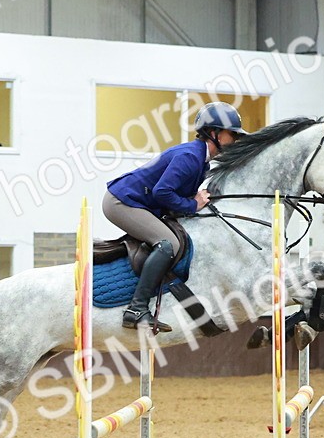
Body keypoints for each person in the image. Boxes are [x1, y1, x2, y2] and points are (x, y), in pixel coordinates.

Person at [103, 102, 247, 331]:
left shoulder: (201, 161)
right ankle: (136, 308)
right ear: (214, 133)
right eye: (233, 134)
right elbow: (162, 192)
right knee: (167, 243)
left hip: (137, 202)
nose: (236, 140)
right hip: (121, 202)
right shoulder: (190, 156)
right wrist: (193, 204)